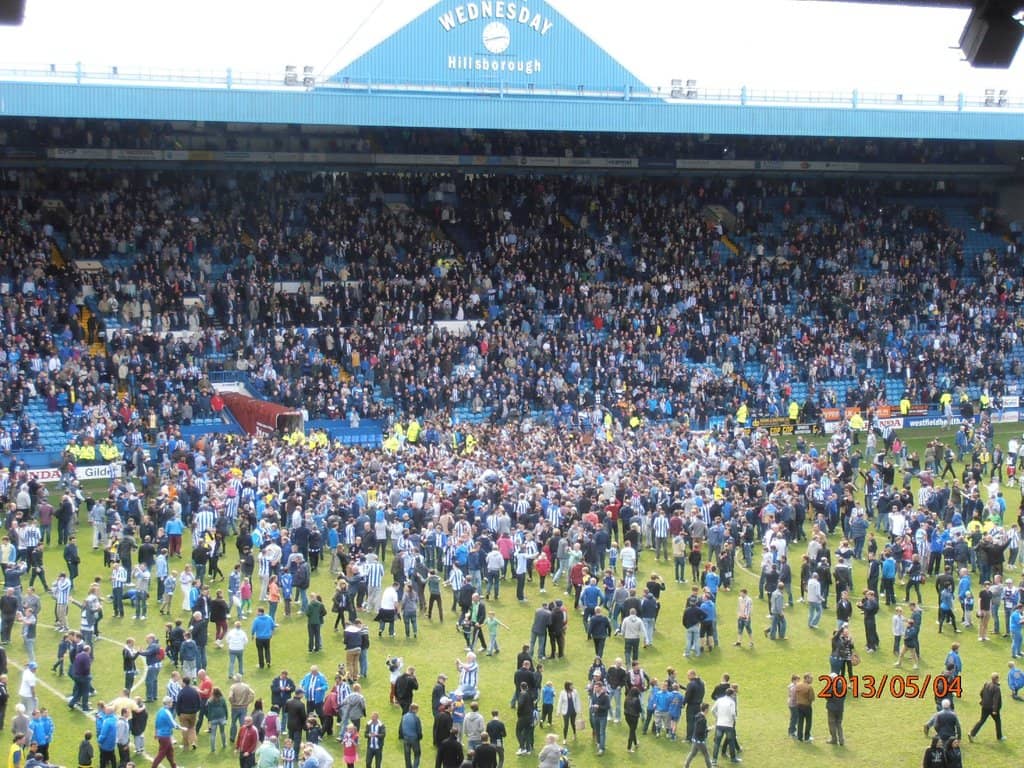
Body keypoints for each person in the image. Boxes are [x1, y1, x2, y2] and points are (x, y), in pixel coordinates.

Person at [967, 672, 1003, 742]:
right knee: (998, 721)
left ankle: (972, 733)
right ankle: (999, 737)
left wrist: (984, 700)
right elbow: (996, 699)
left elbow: (981, 693)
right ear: (997, 679)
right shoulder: (997, 688)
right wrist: (995, 710)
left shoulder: (987, 684)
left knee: (982, 720)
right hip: (992, 708)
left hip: (984, 706)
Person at [151, 697, 184, 768]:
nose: (172, 703)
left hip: (162, 735)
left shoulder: (160, 710)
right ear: (168, 703)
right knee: (162, 753)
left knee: (170, 752)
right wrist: (182, 728)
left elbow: (156, 722)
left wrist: (156, 732)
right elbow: (173, 724)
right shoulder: (167, 712)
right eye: (171, 702)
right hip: (165, 736)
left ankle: (174, 766)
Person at [683, 702, 711, 768]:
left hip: (695, 738)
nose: (708, 710)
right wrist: (708, 730)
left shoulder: (698, 715)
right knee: (706, 754)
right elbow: (700, 731)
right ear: (706, 709)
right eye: (708, 709)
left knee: (693, 753)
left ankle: (686, 766)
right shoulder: (703, 719)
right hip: (700, 740)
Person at [824, 673, 846, 746]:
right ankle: (841, 739)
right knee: (839, 724)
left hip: (832, 708)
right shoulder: (843, 685)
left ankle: (834, 739)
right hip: (840, 708)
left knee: (832, 723)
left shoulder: (830, 687)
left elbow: (826, 695)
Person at [400, 702, 423, 768]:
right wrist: (419, 737)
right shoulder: (416, 718)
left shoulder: (404, 716)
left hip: (406, 738)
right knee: (417, 754)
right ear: (414, 709)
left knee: (407, 755)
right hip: (414, 738)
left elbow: (401, 727)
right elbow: (419, 730)